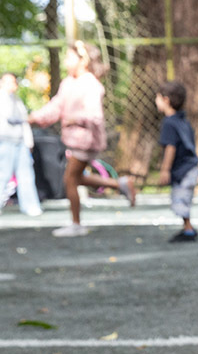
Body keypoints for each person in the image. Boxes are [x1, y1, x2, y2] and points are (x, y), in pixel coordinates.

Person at [28, 40, 136, 237]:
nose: (66, 61)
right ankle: (120, 184)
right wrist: (35, 118)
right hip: (74, 140)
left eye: (69, 57)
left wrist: (74, 119)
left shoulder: (91, 84)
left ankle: (76, 223)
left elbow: (95, 116)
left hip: (86, 141)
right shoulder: (68, 82)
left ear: (83, 60)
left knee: (69, 179)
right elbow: (56, 107)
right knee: (77, 178)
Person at [154, 81, 198, 243]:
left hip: (184, 169)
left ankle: (188, 230)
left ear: (166, 100)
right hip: (191, 166)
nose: (156, 101)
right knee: (183, 196)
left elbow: (170, 148)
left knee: (180, 198)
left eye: (158, 97)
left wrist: (165, 170)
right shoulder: (183, 120)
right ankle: (187, 226)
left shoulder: (169, 123)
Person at [0, 71, 42, 216]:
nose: (12, 85)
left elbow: (24, 123)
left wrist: (28, 142)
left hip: (21, 142)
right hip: (5, 142)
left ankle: (31, 206)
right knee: (3, 174)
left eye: (13, 82)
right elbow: (11, 118)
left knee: (26, 175)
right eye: (8, 82)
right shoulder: (2, 98)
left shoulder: (17, 100)